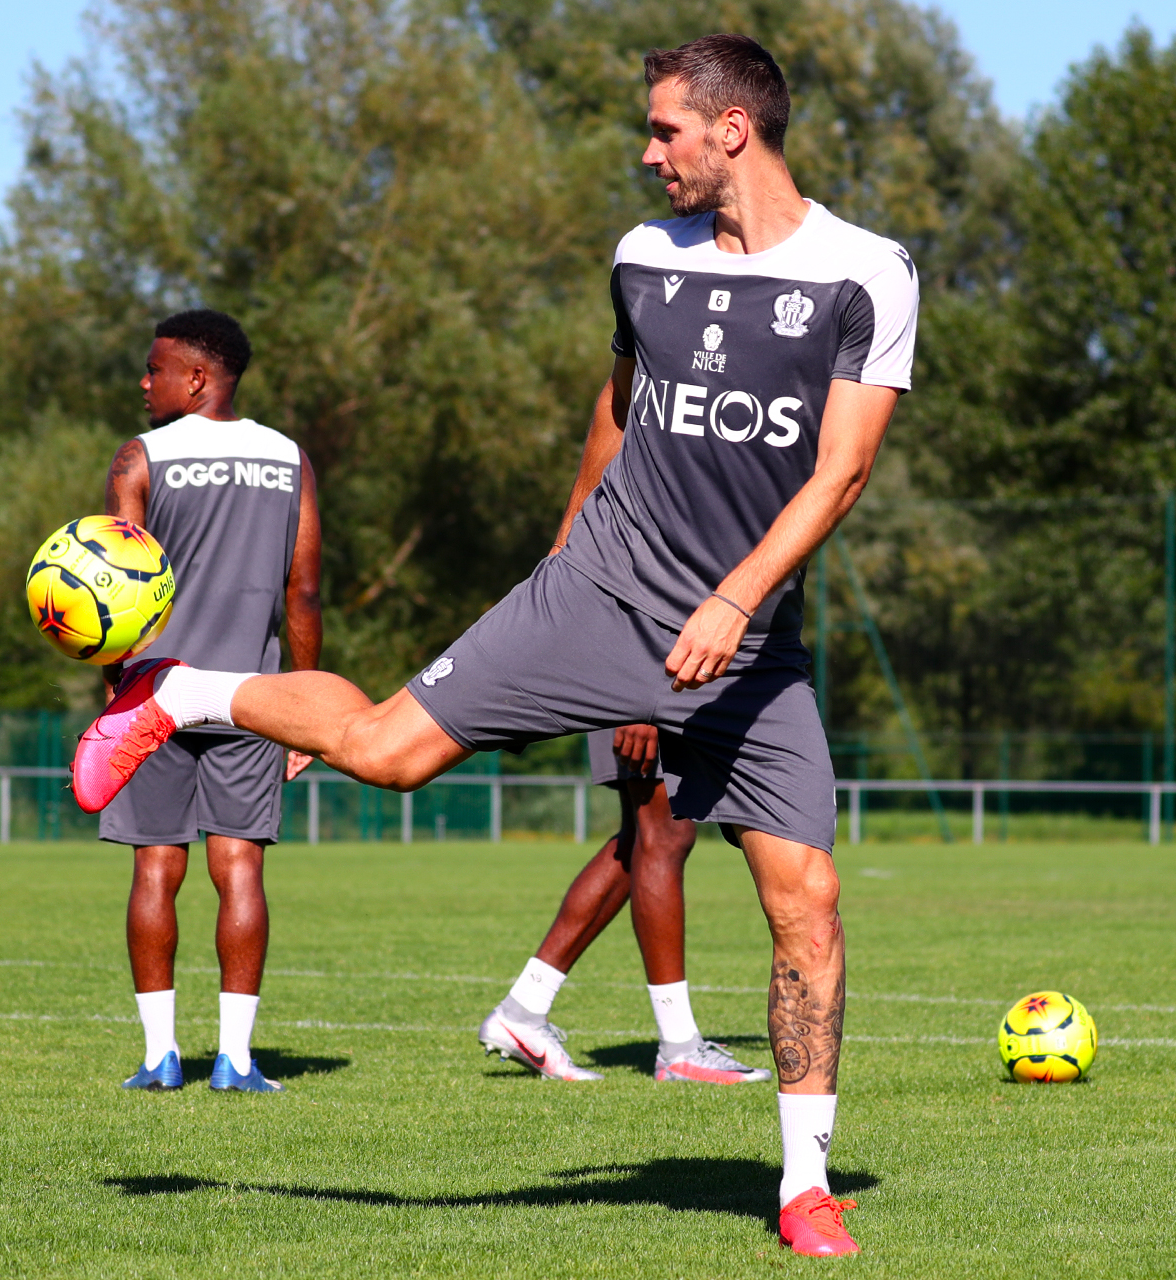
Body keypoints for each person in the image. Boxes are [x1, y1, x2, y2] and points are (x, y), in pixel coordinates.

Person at [75, 34, 916, 1255]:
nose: (648, 151)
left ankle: (801, 1186)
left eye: (664, 128)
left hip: (743, 641)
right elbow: (615, 412)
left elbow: (840, 471)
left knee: (809, 900)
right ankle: (177, 692)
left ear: (731, 129)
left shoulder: (865, 273)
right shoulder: (642, 256)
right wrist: (563, 566)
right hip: (596, 592)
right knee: (385, 751)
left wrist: (734, 601)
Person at [98, 308, 322, 1095]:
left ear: (197, 378)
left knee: (156, 868)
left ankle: (160, 1059)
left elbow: (114, 586)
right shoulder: (288, 458)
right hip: (251, 695)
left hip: (155, 691)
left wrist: (114, 690)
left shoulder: (140, 457)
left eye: (155, 369)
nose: (144, 382)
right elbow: (304, 591)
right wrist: (301, 706)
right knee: (240, 869)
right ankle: (236, 1060)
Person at [480, 724, 772, 1086]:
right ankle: (679, 1048)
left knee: (641, 835)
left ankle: (523, 1010)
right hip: (646, 698)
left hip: (655, 696)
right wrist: (642, 712)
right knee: (667, 832)